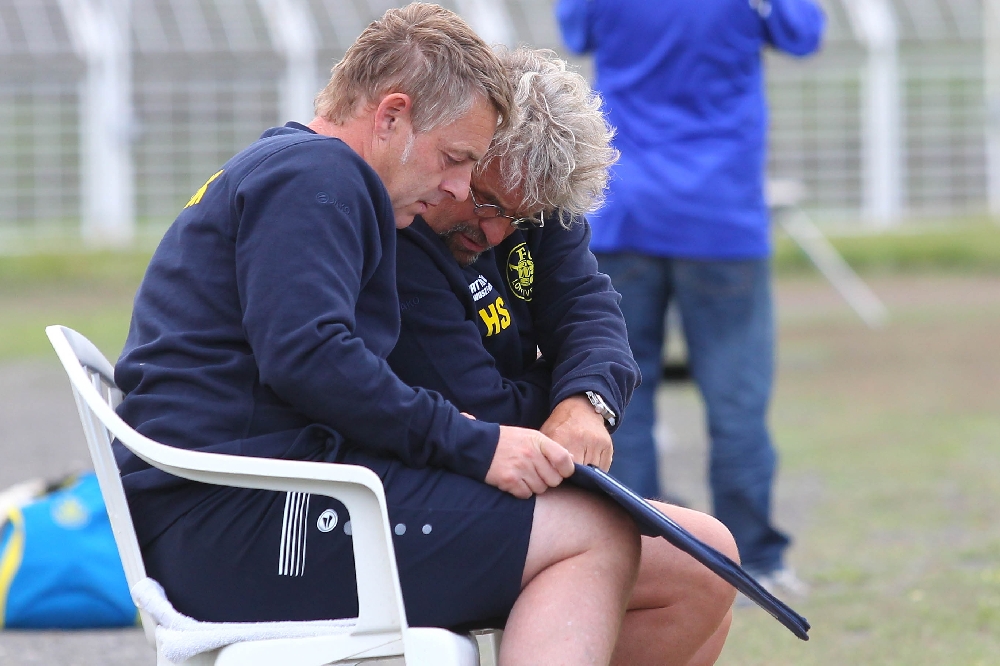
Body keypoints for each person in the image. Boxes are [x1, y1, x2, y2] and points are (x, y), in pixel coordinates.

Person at [111, 5, 703, 665]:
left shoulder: (303, 173)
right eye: (455, 160)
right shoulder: (319, 177)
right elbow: (310, 357)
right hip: (237, 527)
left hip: (243, 511)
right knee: (596, 531)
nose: (455, 186)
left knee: (669, 557)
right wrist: (477, 444)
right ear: (389, 116)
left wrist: (572, 400)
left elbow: (313, 359)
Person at [388, 46, 738, 666]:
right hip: (417, 497)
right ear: (462, 152)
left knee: (709, 564)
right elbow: (482, 408)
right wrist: (561, 384)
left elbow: (590, 309)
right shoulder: (406, 221)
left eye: (518, 219)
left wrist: (585, 404)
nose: (494, 231)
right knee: (696, 556)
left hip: (488, 480)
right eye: (487, 202)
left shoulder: (532, 203)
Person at [555, 0, 825, 594]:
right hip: (721, 217)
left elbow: (574, 30)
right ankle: (755, 559)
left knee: (623, 396)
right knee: (737, 399)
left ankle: (641, 552)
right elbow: (804, 35)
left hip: (627, 210)